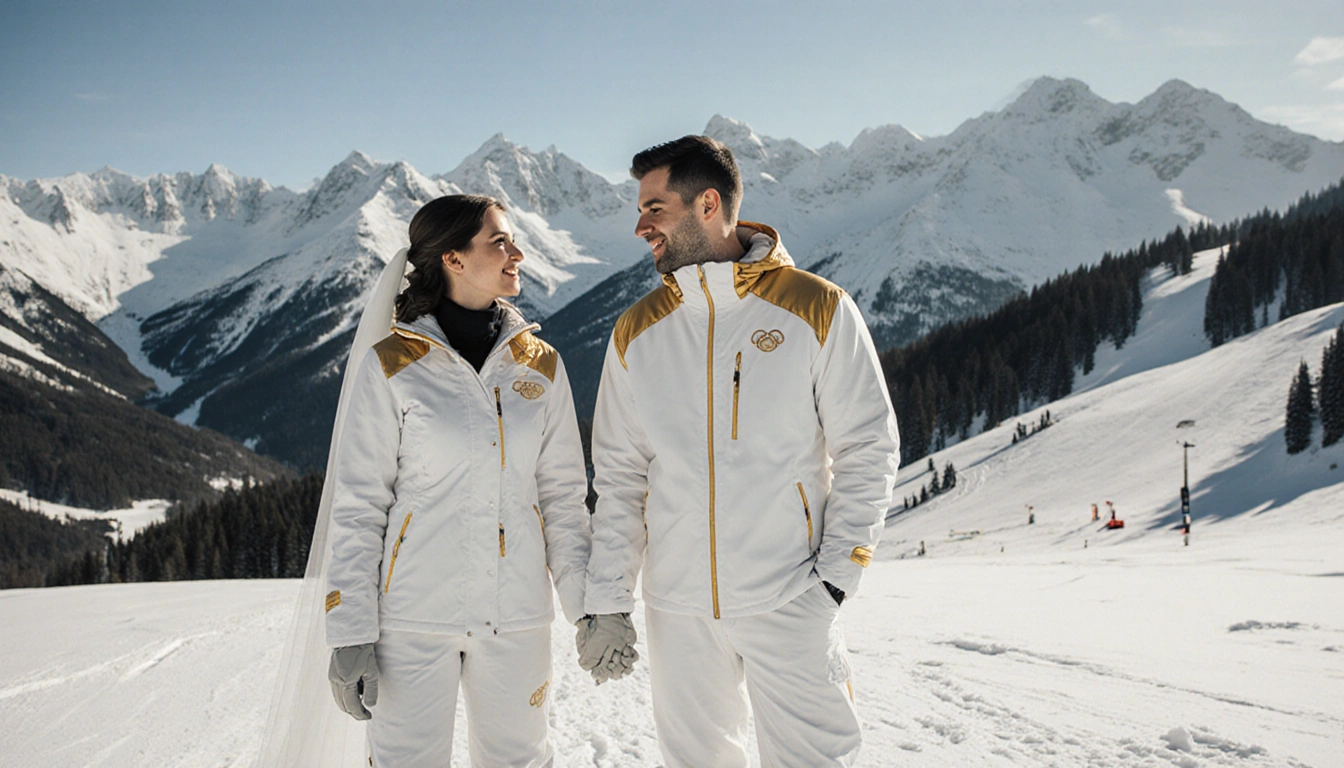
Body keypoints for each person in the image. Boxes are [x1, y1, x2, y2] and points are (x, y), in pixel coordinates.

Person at [580, 136, 900, 767]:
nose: (640, 226)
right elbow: (620, 479)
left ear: (707, 204)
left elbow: (869, 446)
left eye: (653, 208)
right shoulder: (637, 331)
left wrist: (835, 580)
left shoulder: (815, 307)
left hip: (790, 595)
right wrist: (610, 599)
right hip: (678, 610)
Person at [323, 194, 591, 767]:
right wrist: (349, 630)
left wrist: (587, 610)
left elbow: (564, 500)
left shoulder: (540, 365)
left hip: (516, 616)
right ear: (452, 258)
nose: (517, 252)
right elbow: (359, 504)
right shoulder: (393, 363)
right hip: (413, 620)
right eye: (499, 241)